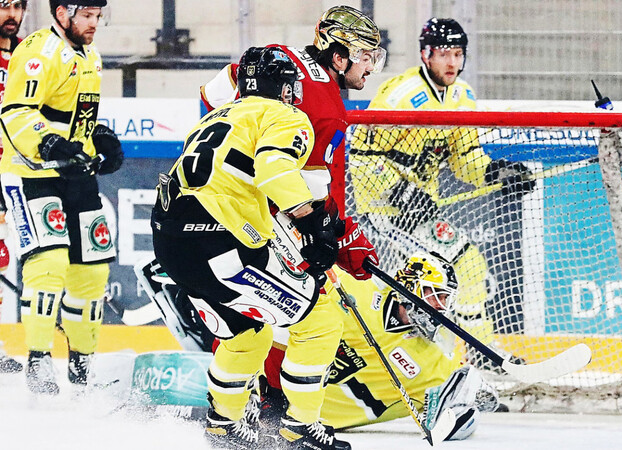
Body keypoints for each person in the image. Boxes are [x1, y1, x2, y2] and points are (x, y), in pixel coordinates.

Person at [152, 46, 357, 450]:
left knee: (246, 334)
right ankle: (299, 428)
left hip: (169, 241)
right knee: (320, 319)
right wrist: (313, 224)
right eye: (291, 86)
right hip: (219, 240)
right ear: (281, 87)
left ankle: (220, 426)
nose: (294, 93)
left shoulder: (216, 116)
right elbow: (274, 170)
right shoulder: (285, 116)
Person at [137, 252, 500, 442]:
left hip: (305, 423)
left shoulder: (432, 361)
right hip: (266, 386)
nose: (440, 309)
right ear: (409, 285)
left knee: (201, 408)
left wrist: (472, 391)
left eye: (445, 301)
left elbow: (453, 423)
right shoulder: (358, 289)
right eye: (434, 296)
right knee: (246, 334)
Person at [349, 18, 535, 370]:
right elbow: (361, 158)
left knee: (456, 272)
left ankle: (462, 358)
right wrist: (398, 192)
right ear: (425, 55)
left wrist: (496, 172)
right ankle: (475, 356)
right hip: (386, 211)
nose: (452, 62)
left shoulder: (463, 96)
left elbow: (465, 159)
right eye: (444, 54)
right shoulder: (401, 96)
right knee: (461, 266)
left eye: (458, 53)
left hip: (421, 209)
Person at [199, 5, 384, 285]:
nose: (370, 67)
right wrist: (340, 232)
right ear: (338, 57)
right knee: (316, 312)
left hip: (207, 190)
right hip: (250, 213)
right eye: (365, 57)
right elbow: (308, 194)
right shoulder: (329, 111)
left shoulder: (276, 57)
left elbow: (212, 95)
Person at [0, 0, 122, 394]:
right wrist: (49, 142)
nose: (93, 24)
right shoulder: (37, 52)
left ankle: (82, 368)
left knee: (93, 270)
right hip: (30, 172)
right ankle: (38, 361)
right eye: (86, 16)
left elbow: (79, 118)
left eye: (97, 16)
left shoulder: (92, 56)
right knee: (48, 263)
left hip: (75, 172)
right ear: (61, 14)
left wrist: (100, 137)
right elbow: (15, 112)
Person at [0, 0, 26, 375]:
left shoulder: (28, 55)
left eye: (18, 6)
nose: (12, 14)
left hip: (13, 170)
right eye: (4, 5)